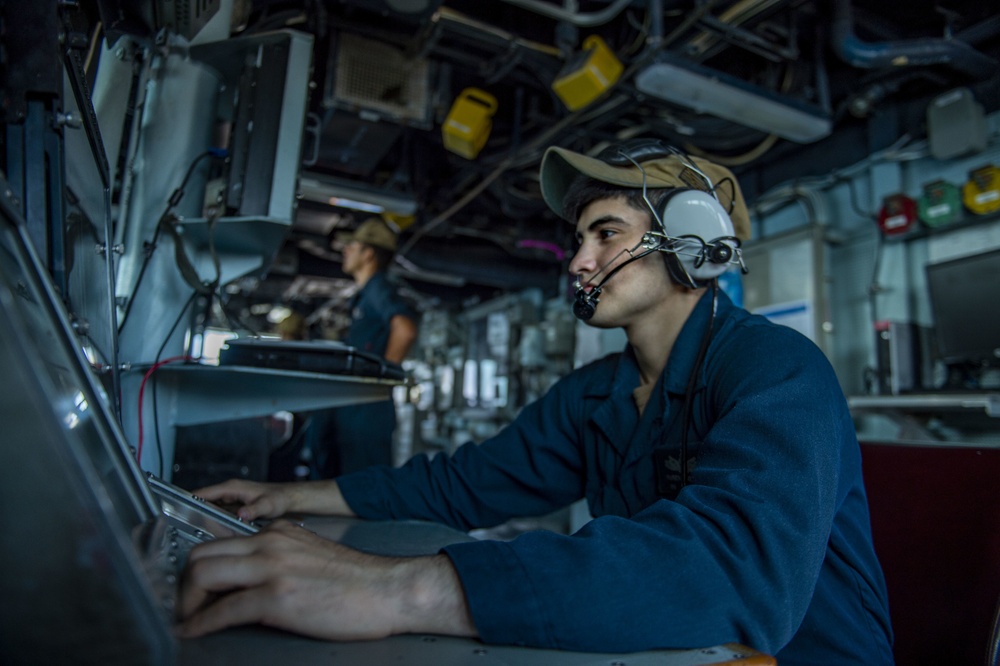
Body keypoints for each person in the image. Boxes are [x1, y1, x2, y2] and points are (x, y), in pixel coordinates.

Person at [175, 140, 894, 665]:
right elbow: (465, 484)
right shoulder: (597, 395)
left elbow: (732, 568)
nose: (578, 260)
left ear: (698, 242)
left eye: (605, 232)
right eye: (579, 238)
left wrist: (398, 591)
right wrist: (291, 495)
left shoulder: (776, 369)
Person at [318, 216, 418, 476]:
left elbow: (405, 330)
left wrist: (381, 380)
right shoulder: (366, 294)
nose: (345, 250)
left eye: (353, 246)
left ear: (368, 254)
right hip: (357, 404)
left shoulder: (377, 288)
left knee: (364, 487)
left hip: (367, 407)